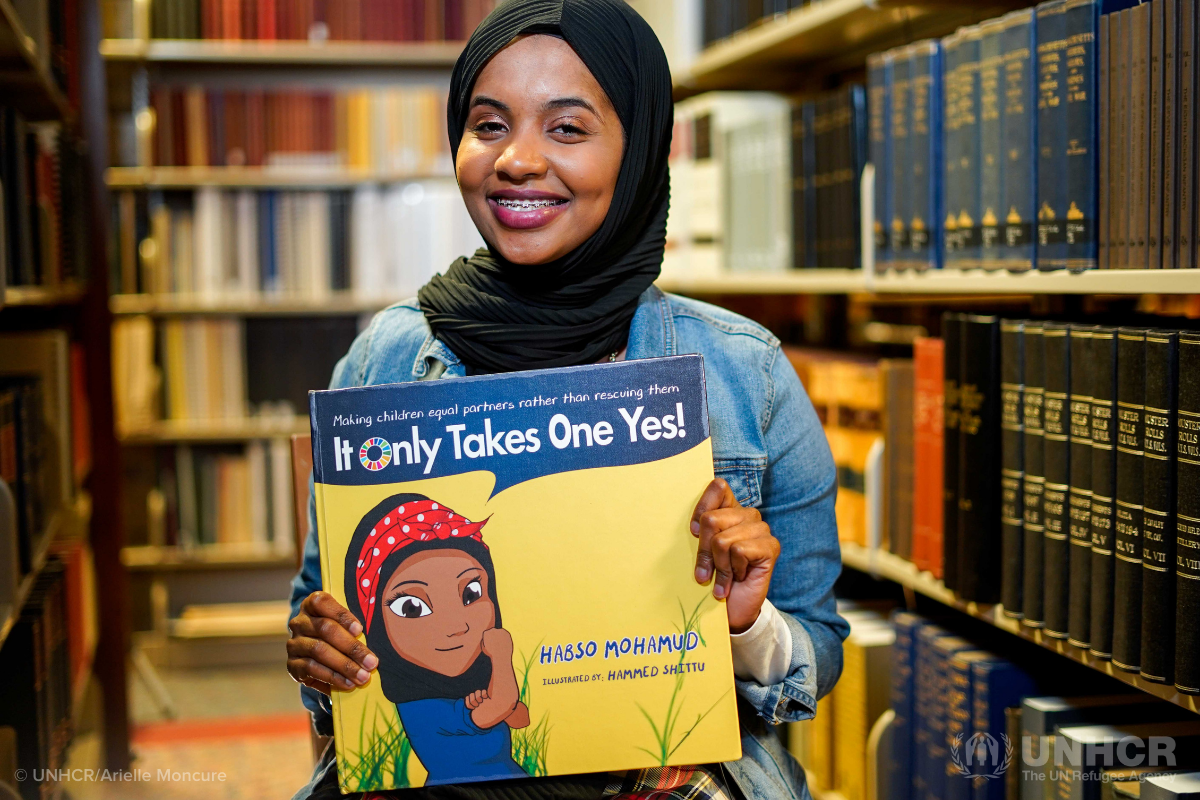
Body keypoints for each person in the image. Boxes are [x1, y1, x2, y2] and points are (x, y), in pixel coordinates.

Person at [286, 0, 848, 797]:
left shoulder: (743, 371)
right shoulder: (386, 355)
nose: (516, 159)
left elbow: (814, 658)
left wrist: (746, 621)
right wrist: (322, 649)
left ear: (642, 149)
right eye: (488, 125)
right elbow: (321, 610)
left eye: (568, 129)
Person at [344, 494, 529, 785]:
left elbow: (520, 718)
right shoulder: (420, 705)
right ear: (376, 627)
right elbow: (502, 706)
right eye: (411, 607)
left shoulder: (471, 689)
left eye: (471, 593)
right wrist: (502, 658)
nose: (456, 626)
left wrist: (492, 689)